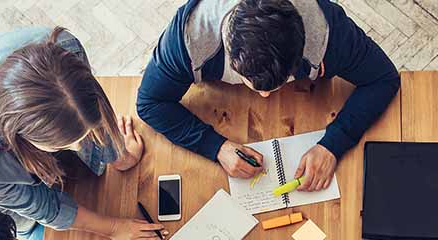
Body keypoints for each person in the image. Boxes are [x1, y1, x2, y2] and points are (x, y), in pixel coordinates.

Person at [0, 26, 166, 240]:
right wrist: (113, 228)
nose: (79, 147)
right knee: (34, 233)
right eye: (62, 145)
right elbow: (44, 208)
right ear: (21, 137)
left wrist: (118, 155)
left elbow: (84, 109)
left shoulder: (65, 48)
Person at [136, 0, 400, 191]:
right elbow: (149, 103)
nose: (264, 96)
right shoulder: (187, 40)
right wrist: (215, 146)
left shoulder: (331, 34)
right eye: (252, 83)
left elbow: (384, 78)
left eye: (281, 82)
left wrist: (333, 144)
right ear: (228, 51)